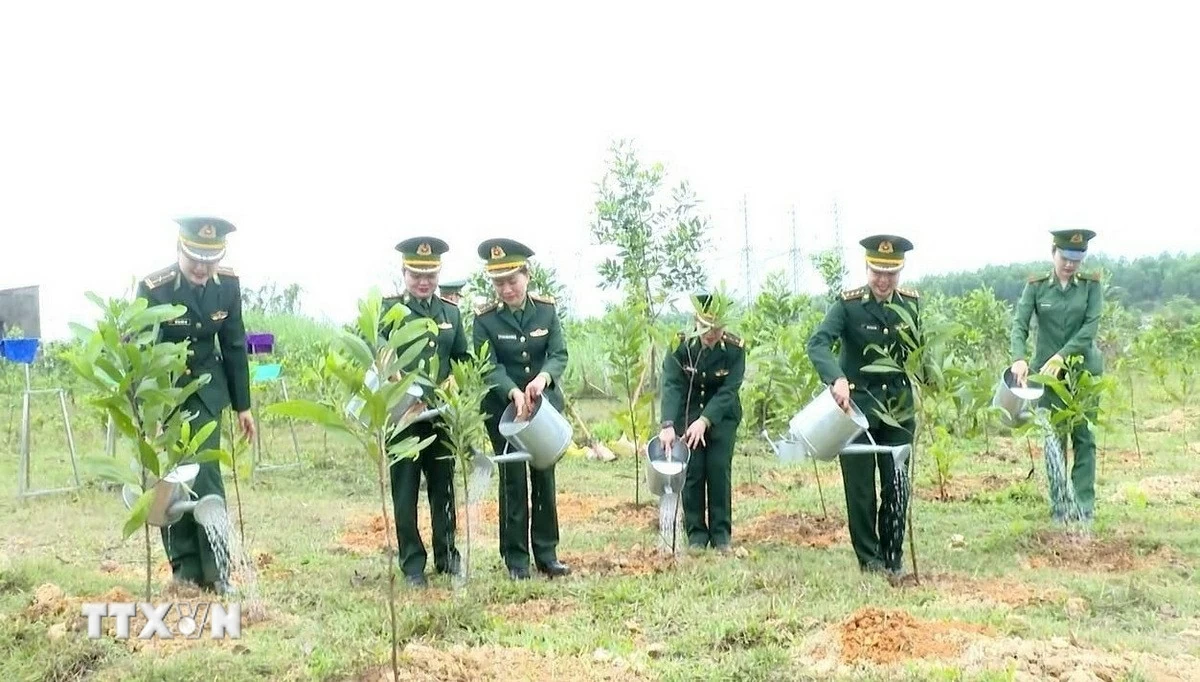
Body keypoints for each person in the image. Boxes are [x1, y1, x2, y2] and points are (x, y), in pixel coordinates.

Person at [136, 216, 256, 594]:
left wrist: (243, 406)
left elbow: (234, 346)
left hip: (207, 393)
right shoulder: (155, 288)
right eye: (195, 260)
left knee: (205, 474)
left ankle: (217, 571)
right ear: (179, 250)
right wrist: (147, 412)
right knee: (172, 478)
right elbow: (141, 351)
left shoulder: (228, 287)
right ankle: (184, 569)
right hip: (168, 394)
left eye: (211, 260)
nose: (203, 268)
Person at [805, 234, 919, 580]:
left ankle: (893, 555)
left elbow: (918, 352)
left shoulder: (911, 305)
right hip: (856, 411)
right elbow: (818, 343)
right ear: (866, 268)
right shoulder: (848, 305)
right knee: (860, 490)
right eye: (877, 273)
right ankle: (870, 561)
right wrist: (836, 379)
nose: (884, 281)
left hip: (898, 411)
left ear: (900, 272)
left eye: (891, 274)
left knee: (897, 485)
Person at [471, 238, 570, 580]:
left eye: (512, 280)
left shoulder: (546, 310)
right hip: (505, 412)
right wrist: (512, 392)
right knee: (513, 481)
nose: (507, 288)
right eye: (499, 283)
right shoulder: (484, 320)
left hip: (542, 410)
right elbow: (488, 365)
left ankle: (546, 553)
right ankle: (515, 559)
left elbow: (558, 354)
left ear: (527, 275)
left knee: (544, 476)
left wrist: (543, 380)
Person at [382, 237, 469, 587]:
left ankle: (447, 557)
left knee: (443, 488)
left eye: (430, 274)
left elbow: (462, 358)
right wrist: (398, 381)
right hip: (403, 417)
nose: (423, 281)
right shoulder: (389, 311)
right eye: (416, 274)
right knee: (405, 491)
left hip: (441, 417)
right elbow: (380, 354)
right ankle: (413, 564)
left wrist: (454, 384)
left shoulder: (451, 313)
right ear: (404, 272)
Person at [1009, 229, 1104, 523]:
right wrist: (1019, 358)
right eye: (1065, 258)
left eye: (1077, 259)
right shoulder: (1037, 287)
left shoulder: (1090, 287)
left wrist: (1063, 356)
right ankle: (1060, 505)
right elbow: (1019, 325)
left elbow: (1090, 327)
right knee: (1054, 438)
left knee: (1084, 437)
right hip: (1047, 378)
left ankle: (1084, 505)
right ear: (1054, 253)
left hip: (1082, 373)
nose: (1070, 265)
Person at [658, 293, 746, 552]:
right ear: (696, 321)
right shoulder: (680, 345)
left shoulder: (734, 348)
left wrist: (706, 420)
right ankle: (696, 534)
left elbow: (730, 390)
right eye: (706, 327)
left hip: (723, 417)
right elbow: (672, 384)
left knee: (718, 471)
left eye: (717, 328)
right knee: (693, 472)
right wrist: (668, 424)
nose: (711, 334)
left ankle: (721, 536)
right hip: (689, 413)